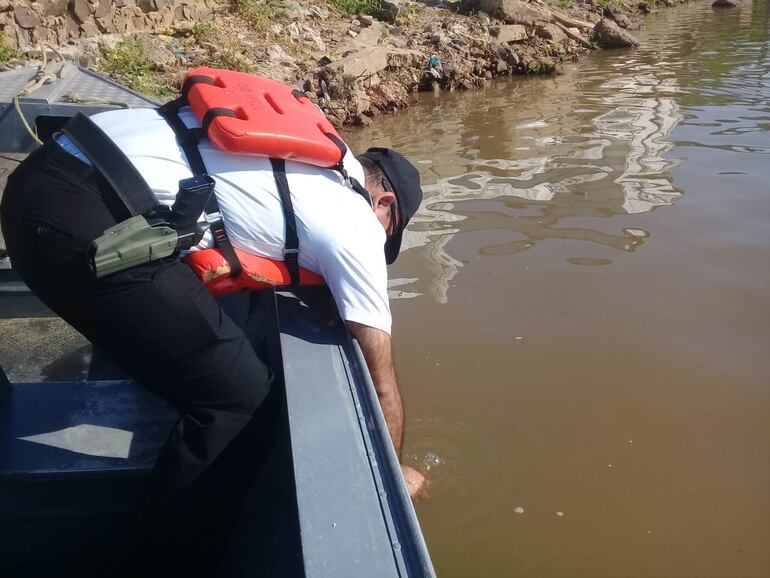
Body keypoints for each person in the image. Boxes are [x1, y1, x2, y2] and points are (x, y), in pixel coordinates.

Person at [0, 93, 427, 574]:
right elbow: (381, 375)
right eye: (389, 234)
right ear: (384, 203)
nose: (381, 247)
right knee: (239, 400)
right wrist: (394, 474)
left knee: (216, 358)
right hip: (73, 222)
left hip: (45, 172)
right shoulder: (356, 225)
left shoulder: (312, 162)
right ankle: (156, 563)